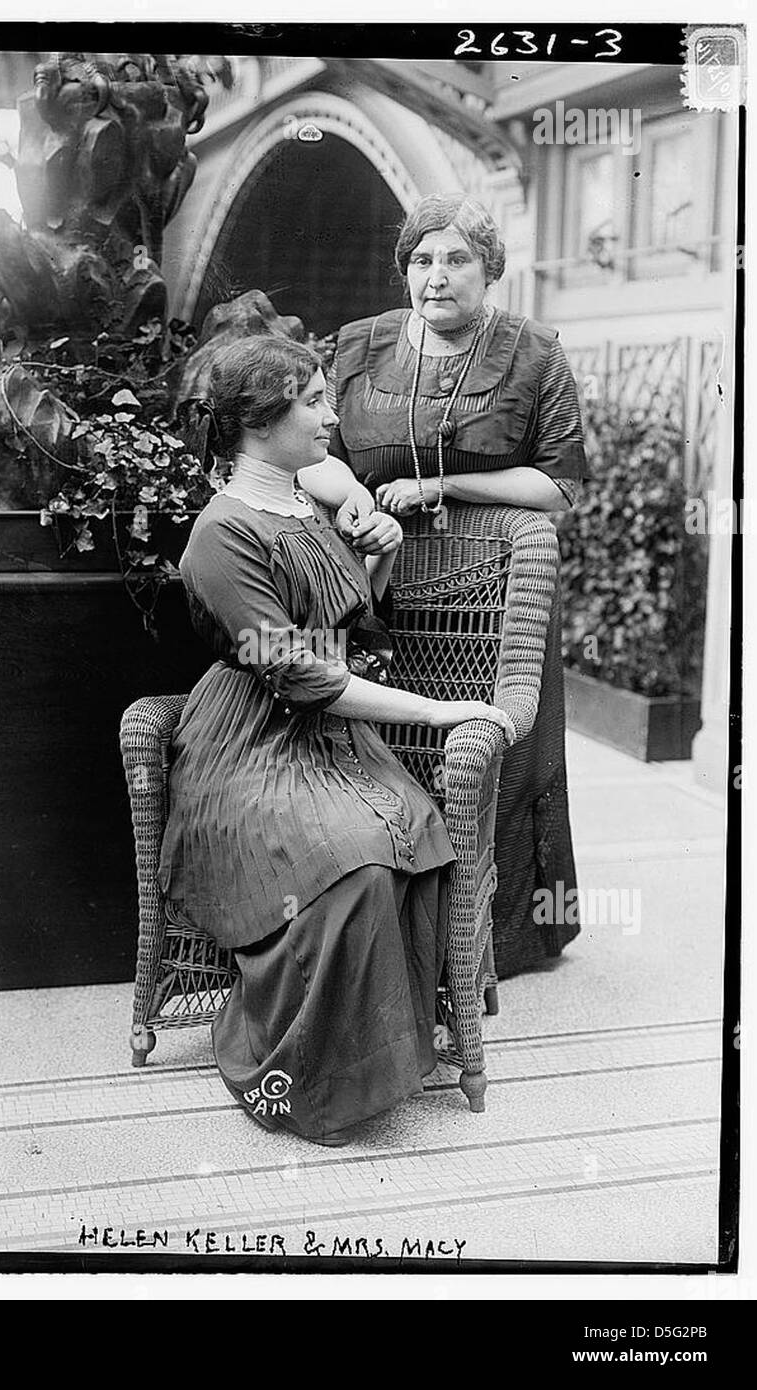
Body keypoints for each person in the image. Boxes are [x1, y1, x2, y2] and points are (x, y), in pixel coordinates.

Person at [157, 336, 514, 1146]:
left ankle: (382, 1055)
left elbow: (344, 630)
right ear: (257, 421)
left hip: (332, 741)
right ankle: (304, 1070)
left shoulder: (301, 506)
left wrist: (374, 562)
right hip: (248, 745)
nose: (330, 415)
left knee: (414, 839)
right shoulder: (221, 534)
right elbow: (297, 672)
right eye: (312, 401)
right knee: (350, 866)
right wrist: (434, 712)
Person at [303, 192, 587, 980]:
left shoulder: (534, 352)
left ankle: (492, 940)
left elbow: (559, 487)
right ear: (403, 270)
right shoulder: (359, 346)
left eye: (456, 259)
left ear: (488, 270)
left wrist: (449, 489)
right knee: (384, 744)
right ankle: (389, 920)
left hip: (499, 595)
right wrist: (350, 495)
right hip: (375, 584)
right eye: (422, 260)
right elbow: (310, 448)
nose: (436, 276)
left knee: (493, 756)